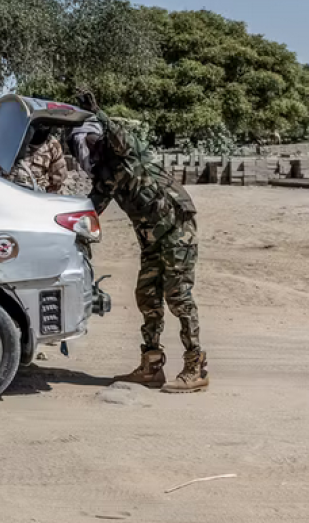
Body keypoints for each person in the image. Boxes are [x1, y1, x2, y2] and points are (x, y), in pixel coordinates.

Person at [71, 90, 209, 393]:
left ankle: (195, 366)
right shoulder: (105, 176)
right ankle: (151, 365)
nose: (86, 149)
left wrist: (100, 116)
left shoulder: (127, 151)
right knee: (146, 296)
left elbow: (121, 137)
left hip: (177, 230)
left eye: (91, 142)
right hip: (151, 239)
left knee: (178, 296)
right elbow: (89, 210)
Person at [10, 125, 68, 193]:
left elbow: (59, 179)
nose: (42, 127)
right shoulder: (12, 136)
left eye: (45, 125)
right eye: (39, 125)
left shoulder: (52, 145)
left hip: (34, 193)